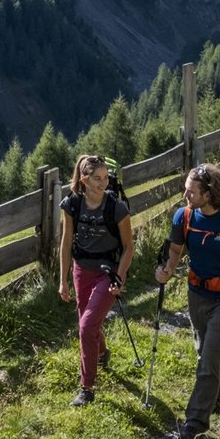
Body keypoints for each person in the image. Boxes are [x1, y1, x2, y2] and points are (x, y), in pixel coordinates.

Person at [153, 163, 220, 439]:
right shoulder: (184, 217)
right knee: (203, 349)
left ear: (209, 194)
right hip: (196, 294)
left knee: (208, 358)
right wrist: (166, 270)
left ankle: (195, 423)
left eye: (190, 191)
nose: (185, 195)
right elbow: (175, 250)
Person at [58, 153, 133, 406]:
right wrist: (63, 279)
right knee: (87, 322)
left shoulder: (116, 207)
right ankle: (101, 352)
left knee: (87, 326)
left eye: (106, 178)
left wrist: (119, 277)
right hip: (81, 270)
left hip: (107, 272)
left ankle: (86, 388)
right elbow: (66, 242)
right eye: (97, 179)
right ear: (84, 179)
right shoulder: (72, 204)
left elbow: (129, 248)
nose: (104, 183)